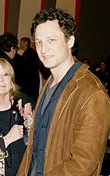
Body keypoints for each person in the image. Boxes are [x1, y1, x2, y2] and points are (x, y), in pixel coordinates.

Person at [17, 8, 110, 176]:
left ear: (70, 41)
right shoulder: (49, 84)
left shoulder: (91, 93)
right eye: (39, 42)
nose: (43, 49)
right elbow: (34, 148)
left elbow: (83, 163)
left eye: (51, 40)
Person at [14, 37, 40, 101]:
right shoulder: (34, 53)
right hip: (33, 81)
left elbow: (17, 64)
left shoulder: (20, 53)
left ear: (23, 44)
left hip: (23, 82)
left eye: (20, 43)